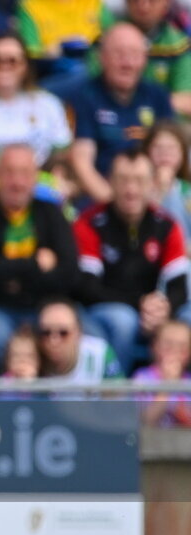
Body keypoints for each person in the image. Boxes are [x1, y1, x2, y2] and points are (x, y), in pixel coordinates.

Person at [74, 148, 189, 373]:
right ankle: (118, 397)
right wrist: (139, 303)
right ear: (111, 182)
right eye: (123, 180)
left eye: (139, 180)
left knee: (186, 318)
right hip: (100, 312)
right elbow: (87, 289)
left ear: (152, 184)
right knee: (123, 320)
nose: (131, 189)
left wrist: (163, 309)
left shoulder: (166, 224)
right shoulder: (89, 223)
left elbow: (179, 286)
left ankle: (181, 396)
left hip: (150, 310)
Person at [0, 144, 79, 372]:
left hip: (47, 306)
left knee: (89, 336)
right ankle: (4, 401)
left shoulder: (51, 213)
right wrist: (35, 265)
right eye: (9, 172)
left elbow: (69, 272)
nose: (17, 182)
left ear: (35, 178)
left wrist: (12, 276)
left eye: (24, 174)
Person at [69, 23, 174, 203]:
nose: (128, 63)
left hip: (155, 196)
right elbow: (82, 163)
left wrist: (153, 200)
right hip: (101, 194)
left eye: (134, 55)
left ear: (144, 59)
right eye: (119, 54)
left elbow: (172, 156)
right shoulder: (85, 97)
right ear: (102, 57)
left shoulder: (158, 96)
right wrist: (116, 208)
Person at [0, 33, 72, 168]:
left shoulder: (48, 104)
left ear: (25, 65)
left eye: (12, 61)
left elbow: (61, 152)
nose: (4, 66)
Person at [97, 0, 191, 117]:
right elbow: (93, 88)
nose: (143, 5)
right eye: (135, 0)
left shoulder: (179, 46)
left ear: (166, 3)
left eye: (152, 1)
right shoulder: (107, 39)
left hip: (163, 126)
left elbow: (187, 101)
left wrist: (143, 103)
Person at [37, 298, 125, 381]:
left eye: (63, 333)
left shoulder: (100, 354)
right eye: (46, 333)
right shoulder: (31, 356)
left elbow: (118, 395)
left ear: (78, 332)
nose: (54, 341)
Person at [134, 319, 191, 426]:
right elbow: (145, 422)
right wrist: (167, 387)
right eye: (168, 345)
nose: (175, 351)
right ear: (154, 346)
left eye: (182, 347)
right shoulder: (143, 378)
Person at [143, 121, 191, 242]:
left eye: (171, 148)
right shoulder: (138, 190)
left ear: (182, 154)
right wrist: (161, 189)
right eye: (158, 147)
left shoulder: (187, 191)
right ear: (147, 152)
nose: (165, 154)